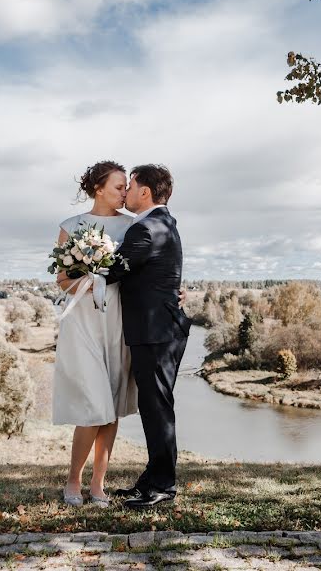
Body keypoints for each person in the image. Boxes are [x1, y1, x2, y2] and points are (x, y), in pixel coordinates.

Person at [106, 163, 192, 509]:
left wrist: (81, 259)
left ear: (145, 192)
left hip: (156, 332)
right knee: (153, 406)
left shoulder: (146, 229)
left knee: (157, 409)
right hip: (160, 329)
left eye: (131, 186)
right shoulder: (161, 224)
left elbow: (112, 271)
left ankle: (162, 487)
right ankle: (150, 480)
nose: (125, 192)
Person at [52, 161, 137, 508]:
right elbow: (61, 281)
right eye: (119, 186)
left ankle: (98, 484)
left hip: (118, 321)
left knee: (112, 405)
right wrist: (88, 282)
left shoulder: (134, 227)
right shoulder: (71, 227)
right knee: (93, 404)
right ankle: (73, 481)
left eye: (126, 186)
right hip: (83, 322)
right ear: (98, 188)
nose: (125, 192)